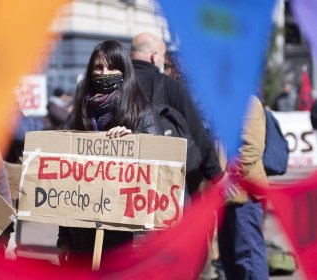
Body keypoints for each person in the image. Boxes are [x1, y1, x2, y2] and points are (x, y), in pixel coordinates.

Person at [57, 40, 164, 267]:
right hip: (84, 235)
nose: (104, 73)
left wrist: (135, 139)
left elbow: (161, 168)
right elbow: (68, 178)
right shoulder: (83, 112)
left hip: (128, 238)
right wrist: (64, 236)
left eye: (111, 67)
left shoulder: (142, 112)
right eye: (98, 67)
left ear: (124, 71)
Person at [130, 32, 223, 194]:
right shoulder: (171, 87)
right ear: (155, 57)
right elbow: (197, 132)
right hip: (167, 183)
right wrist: (215, 174)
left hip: (123, 181)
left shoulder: (113, 85)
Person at [219, 95, 269, 280]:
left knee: (248, 257)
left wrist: (230, 176)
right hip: (227, 193)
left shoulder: (248, 102)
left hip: (243, 194)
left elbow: (251, 147)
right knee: (230, 258)